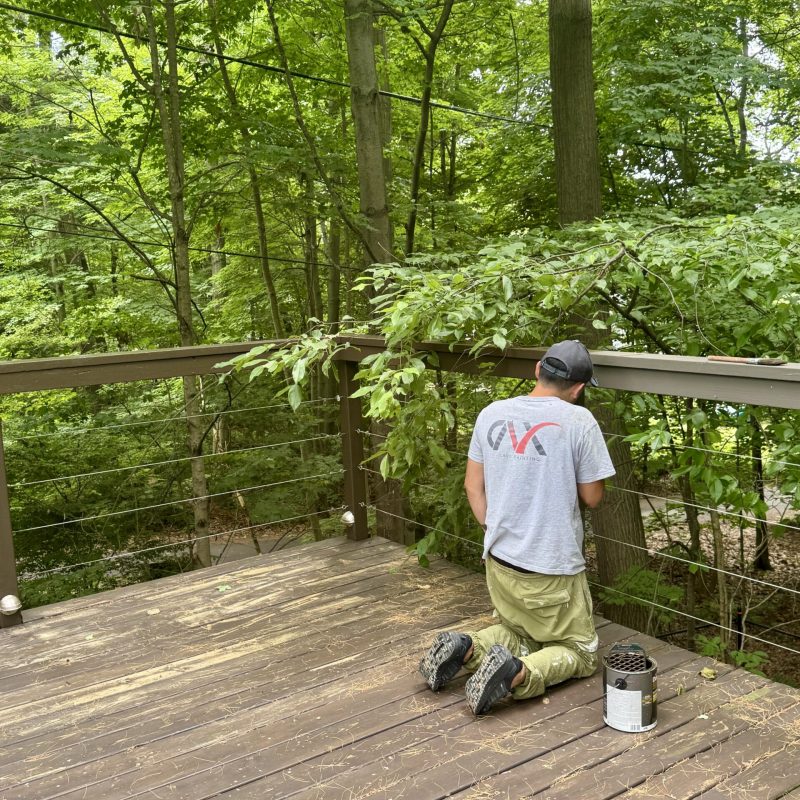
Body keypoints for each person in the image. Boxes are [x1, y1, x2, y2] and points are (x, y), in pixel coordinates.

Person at [419, 340, 616, 715]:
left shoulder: (492, 412)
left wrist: (493, 528)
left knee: (522, 631)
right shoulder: (578, 420)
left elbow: (472, 486)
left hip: (500, 559)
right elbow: (592, 496)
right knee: (582, 652)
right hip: (552, 567)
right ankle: (518, 675)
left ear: (537, 369)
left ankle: (468, 649)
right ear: (579, 389)